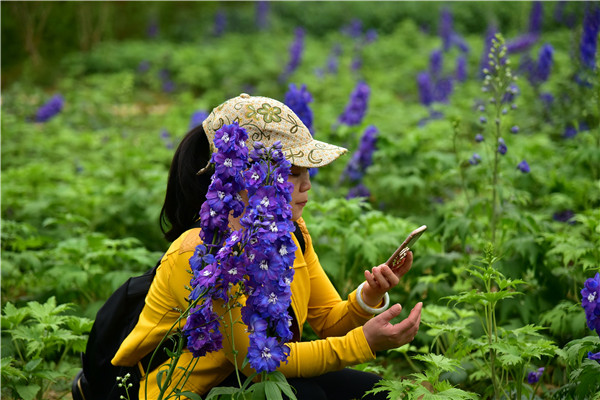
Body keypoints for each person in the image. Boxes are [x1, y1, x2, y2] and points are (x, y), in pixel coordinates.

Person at [112, 93, 423, 399]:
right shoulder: (203, 251)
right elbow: (253, 363)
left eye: (308, 172)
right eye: (293, 172)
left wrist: (369, 296)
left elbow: (328, 320)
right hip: (184, 391)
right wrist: (363, 343)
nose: (307, 185)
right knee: (306, 395)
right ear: (248, 175)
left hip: (249, 377)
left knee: (373, 391)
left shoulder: (291, 234)